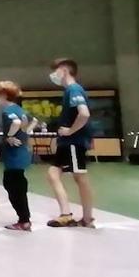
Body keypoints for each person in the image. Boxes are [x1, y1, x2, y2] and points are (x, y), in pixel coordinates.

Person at [45, 57, 96, 228]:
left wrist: (70, 131)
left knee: (80, 177)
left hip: (74, 141)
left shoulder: (74, 89)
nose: (53, 75)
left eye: (56, 70)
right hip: (67, 143)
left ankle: (87, 218)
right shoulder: (70, 91)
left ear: (64, 70)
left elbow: (84, 114)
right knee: (53, 174)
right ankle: (66, 213)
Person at [0, 80, 34, 231]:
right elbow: (33, 121)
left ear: (3, 95)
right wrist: (25, 134)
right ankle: (24, 218)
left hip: (14, 153)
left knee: (12, 184)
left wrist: (9, 136)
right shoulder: (19, 108)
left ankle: (23, 219)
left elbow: (15, 122)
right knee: (17, 182)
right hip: (22, 151)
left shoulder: (8, 110)